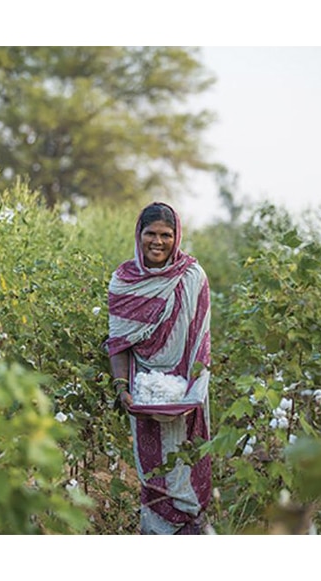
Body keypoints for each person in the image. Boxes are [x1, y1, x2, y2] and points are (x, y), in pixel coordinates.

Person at [105, 202, 212, 534]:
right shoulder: (124, 281)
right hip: (144, 388)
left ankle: (189, 530)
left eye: (166, 235)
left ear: (176, 237)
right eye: (150, 233)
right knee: (151, 467)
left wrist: (191, 390)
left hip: (183, 389)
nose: (158, 241)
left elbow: (201, 341)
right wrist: (122, 388)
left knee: (184, 461)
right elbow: (118, 343)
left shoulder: (192, 277)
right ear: (139, 235)